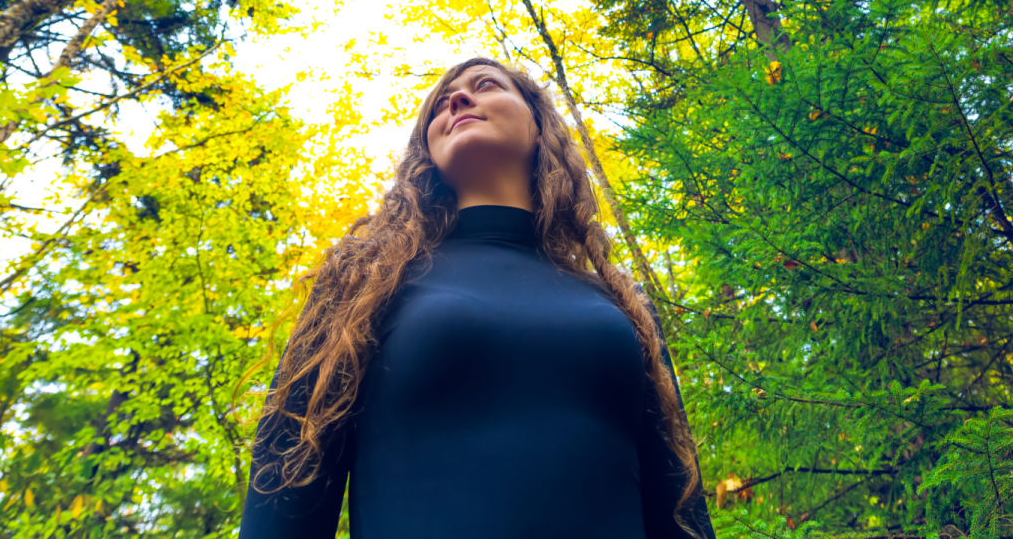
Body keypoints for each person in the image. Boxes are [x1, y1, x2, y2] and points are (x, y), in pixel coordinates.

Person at [237, 57, 716, 539]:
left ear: (539, 126)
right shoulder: (360, 285)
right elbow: (285, 490)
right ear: (426, 154)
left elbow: (681, 508)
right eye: (440, 106)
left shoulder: (624, 302)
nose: (458, 100)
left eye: (485, 85)